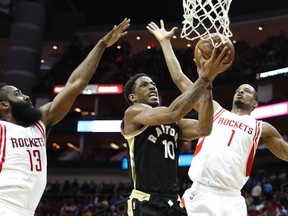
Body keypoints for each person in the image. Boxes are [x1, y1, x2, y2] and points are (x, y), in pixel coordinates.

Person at [148, 20, 288, 216]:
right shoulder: (214, 111)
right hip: (201, 192)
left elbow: (285, 152)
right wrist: (165, 43)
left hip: (232, 199)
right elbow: (179, 78)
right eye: (239, 90)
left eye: (246, 91)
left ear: (255, 103)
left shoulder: (262, 128)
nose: (240, 92)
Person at [0, 18, 130, 216]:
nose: (26, 96)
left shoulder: (39, 124)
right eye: (17, 94)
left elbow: (76, 83)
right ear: (3, 105)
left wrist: (101, 45)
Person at [120, 21, 231, 215]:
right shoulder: (133, 113)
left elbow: (204, 128)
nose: (152, 86)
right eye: (144, 85)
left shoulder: (172, 123)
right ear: (133, 97)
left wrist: (208, 84)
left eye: (153, 84)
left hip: (173, 202)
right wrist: (204, 79)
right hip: (146, 201)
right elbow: (173, 112)